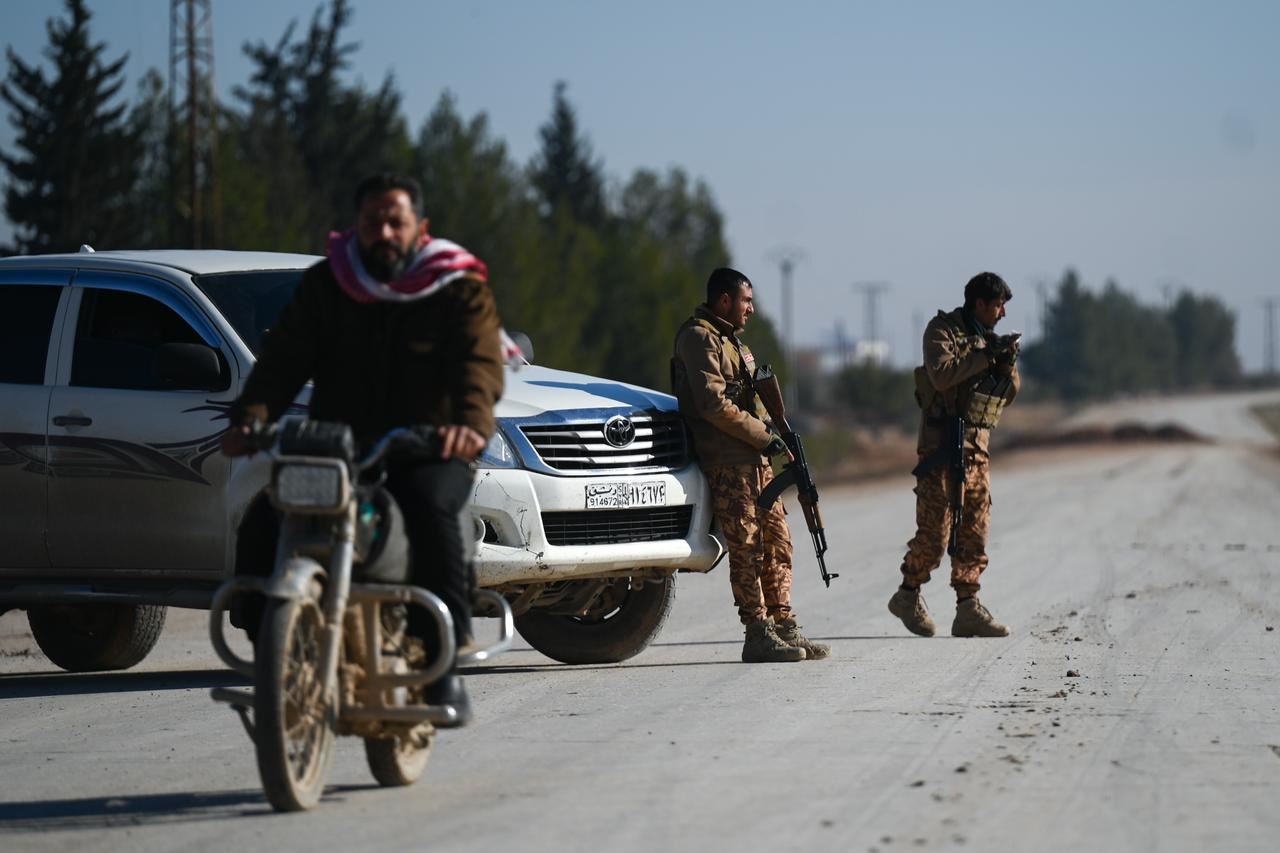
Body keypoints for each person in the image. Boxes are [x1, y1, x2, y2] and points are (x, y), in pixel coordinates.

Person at [221, 172, 505, 723]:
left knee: (430, 512)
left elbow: (479, 363)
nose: (384, 232)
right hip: (339, 446)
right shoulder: (329, 284)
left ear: (420, 228)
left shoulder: (456, 286)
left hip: (428, 444)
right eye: (374, 221)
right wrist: (252, 417)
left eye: (396, 221)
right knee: (265, 522)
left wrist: (469, 423)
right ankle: (273, 649)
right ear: (357, 225)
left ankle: (442, 660)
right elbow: (284, 360)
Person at [671, 267, 829, 663]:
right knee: (748, 547)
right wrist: (764, 436)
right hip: (728, 460)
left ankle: (783, 625)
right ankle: (757, 633)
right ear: (724, 300)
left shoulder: (733, 344)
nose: (751, 309)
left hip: (755, 459)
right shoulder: (699, 338)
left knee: (778, 543)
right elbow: (712, 404)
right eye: (746, 301)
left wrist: (774, 437)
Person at [889, 271, 1020, 638]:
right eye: (998, 305)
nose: (1003, 313)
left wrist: (1006, 361)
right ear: (980, 304)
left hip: (976, 449)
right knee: (934, 537)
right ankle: (907, 593)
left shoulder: (990, 340)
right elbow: (942, 376)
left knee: (974, 532)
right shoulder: (941, 331)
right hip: (941, 449)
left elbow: (1009, 393)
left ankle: (968, 606)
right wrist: (985, 355)